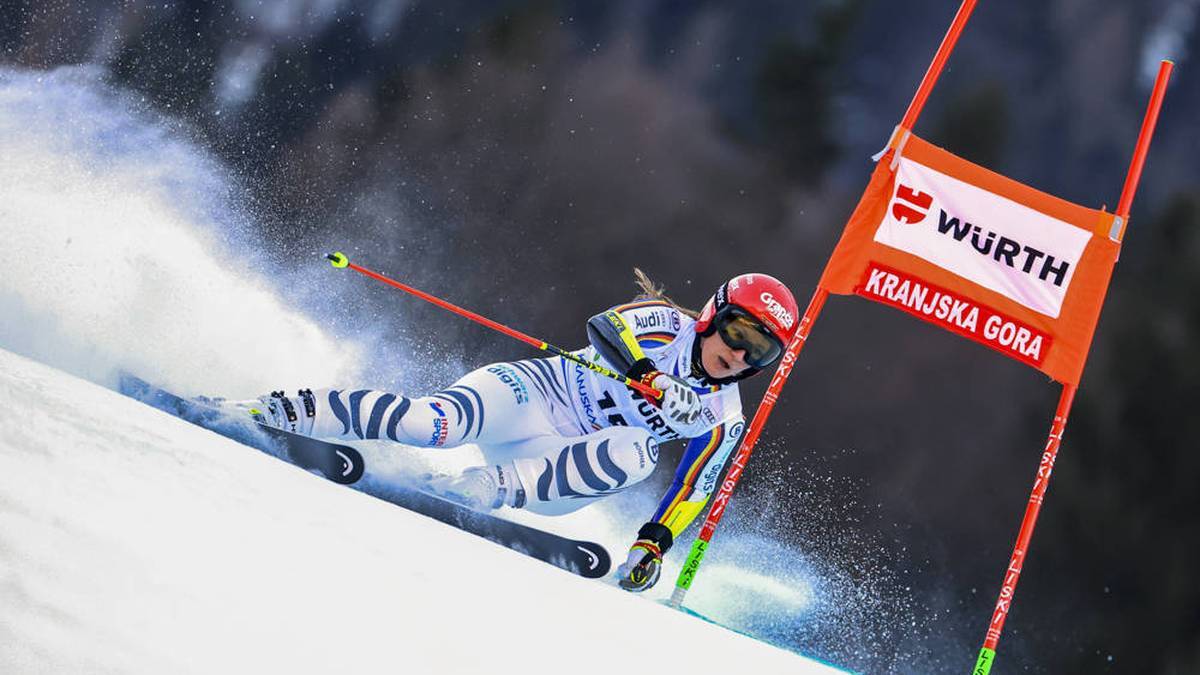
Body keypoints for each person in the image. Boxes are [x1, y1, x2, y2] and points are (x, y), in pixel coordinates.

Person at [240, 270, 799, 592]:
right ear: (712, 316)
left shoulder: (723, 416)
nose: (739, 355)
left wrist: (652, 546)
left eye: (759, 351)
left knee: (638, 453)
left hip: (561, 471)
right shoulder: (668, 326)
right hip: (537, 393)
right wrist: (649, 376)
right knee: (428, 423)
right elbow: (605, 327)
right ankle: (285, 409)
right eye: (738, 333)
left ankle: (482, 488)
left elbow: (694, 487)